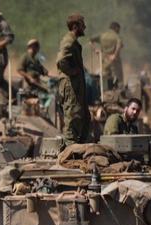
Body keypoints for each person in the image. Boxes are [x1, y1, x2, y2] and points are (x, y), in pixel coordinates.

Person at [56, 13, 91, 145]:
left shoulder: (73, 42)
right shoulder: (69, 41)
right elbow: (61, 60)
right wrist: (72, 71)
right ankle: (71, 152)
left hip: (76, 87)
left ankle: (79, 147)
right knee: (73, 118)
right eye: (82, 25)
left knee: (85, 117)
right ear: (75, 26)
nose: (85, 27)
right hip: (71, 87)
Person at [90, 22, 124, 89]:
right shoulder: (116, 36)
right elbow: (119, 45)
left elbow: (91, 41)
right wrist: (114, 55)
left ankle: (104, 91)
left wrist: (95, 50)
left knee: (105, 75)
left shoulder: (102, 35)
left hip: (104, 59)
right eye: (119, 29)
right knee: (118, 77)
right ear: (116, 28)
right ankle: (118, 92)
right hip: (115, 60)